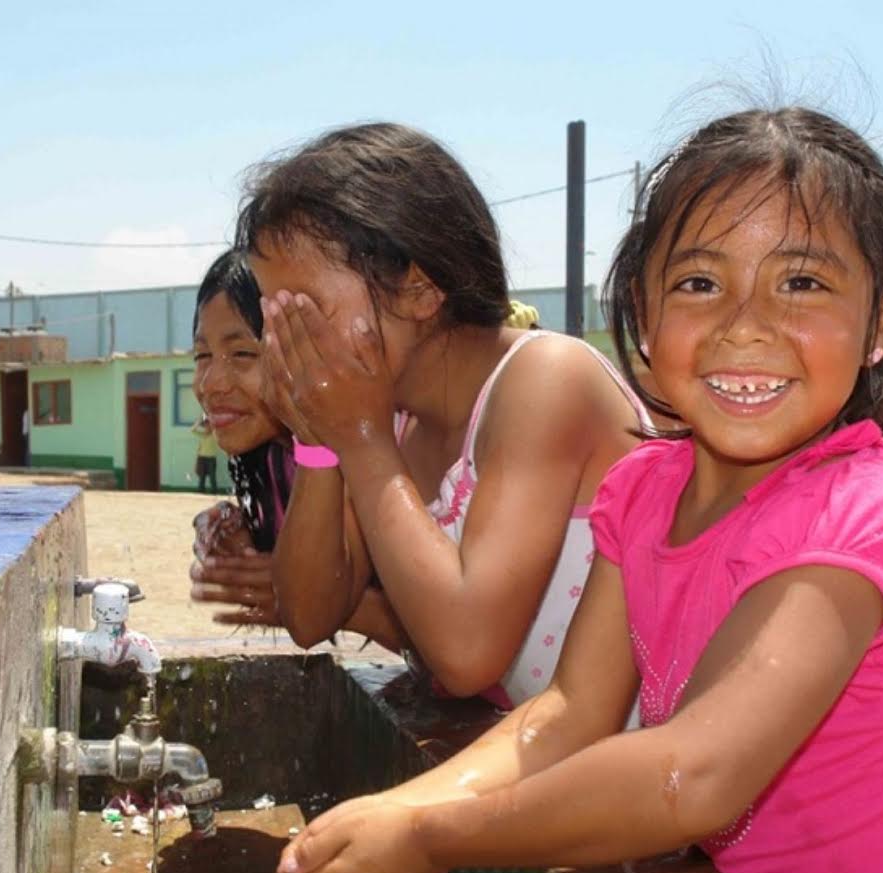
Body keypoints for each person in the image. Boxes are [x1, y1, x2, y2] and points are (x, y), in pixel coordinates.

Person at [275, 108, 883, 873]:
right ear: (641, 313)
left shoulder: (861, 511)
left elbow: (692, 774)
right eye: (697, 283)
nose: (744, 324)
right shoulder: (642, 489)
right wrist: (396, 811)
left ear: (879, 323)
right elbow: (569, 713)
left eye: (800, 283)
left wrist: (432, 836)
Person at [241, 122, 655, 711]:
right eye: (272, 317)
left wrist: (360, 439)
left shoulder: (546, 380)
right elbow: (309, 614)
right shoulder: (398, 423)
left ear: (419, 290)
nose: (284, 342)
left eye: (305, 314)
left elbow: (467, 652)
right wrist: (317, 442)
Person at [186, 248, 407, 648]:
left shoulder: (371, 451)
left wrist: (299, 594)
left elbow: (450, 638)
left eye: (242, 354)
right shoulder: (275, 456)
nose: (211, 383)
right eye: (203, 355)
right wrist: (246, 534)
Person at [190, 415, 220, 493]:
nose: (207, 427)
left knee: (212, 477)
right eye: (206, 425)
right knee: (201, 477)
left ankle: (214, 492)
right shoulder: (202, 434)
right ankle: (201, 492)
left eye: (208, 425)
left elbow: (219, 428)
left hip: (211, 458)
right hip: (202, 458)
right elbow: (192, 430)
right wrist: (199, 421)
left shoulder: (215, 435)